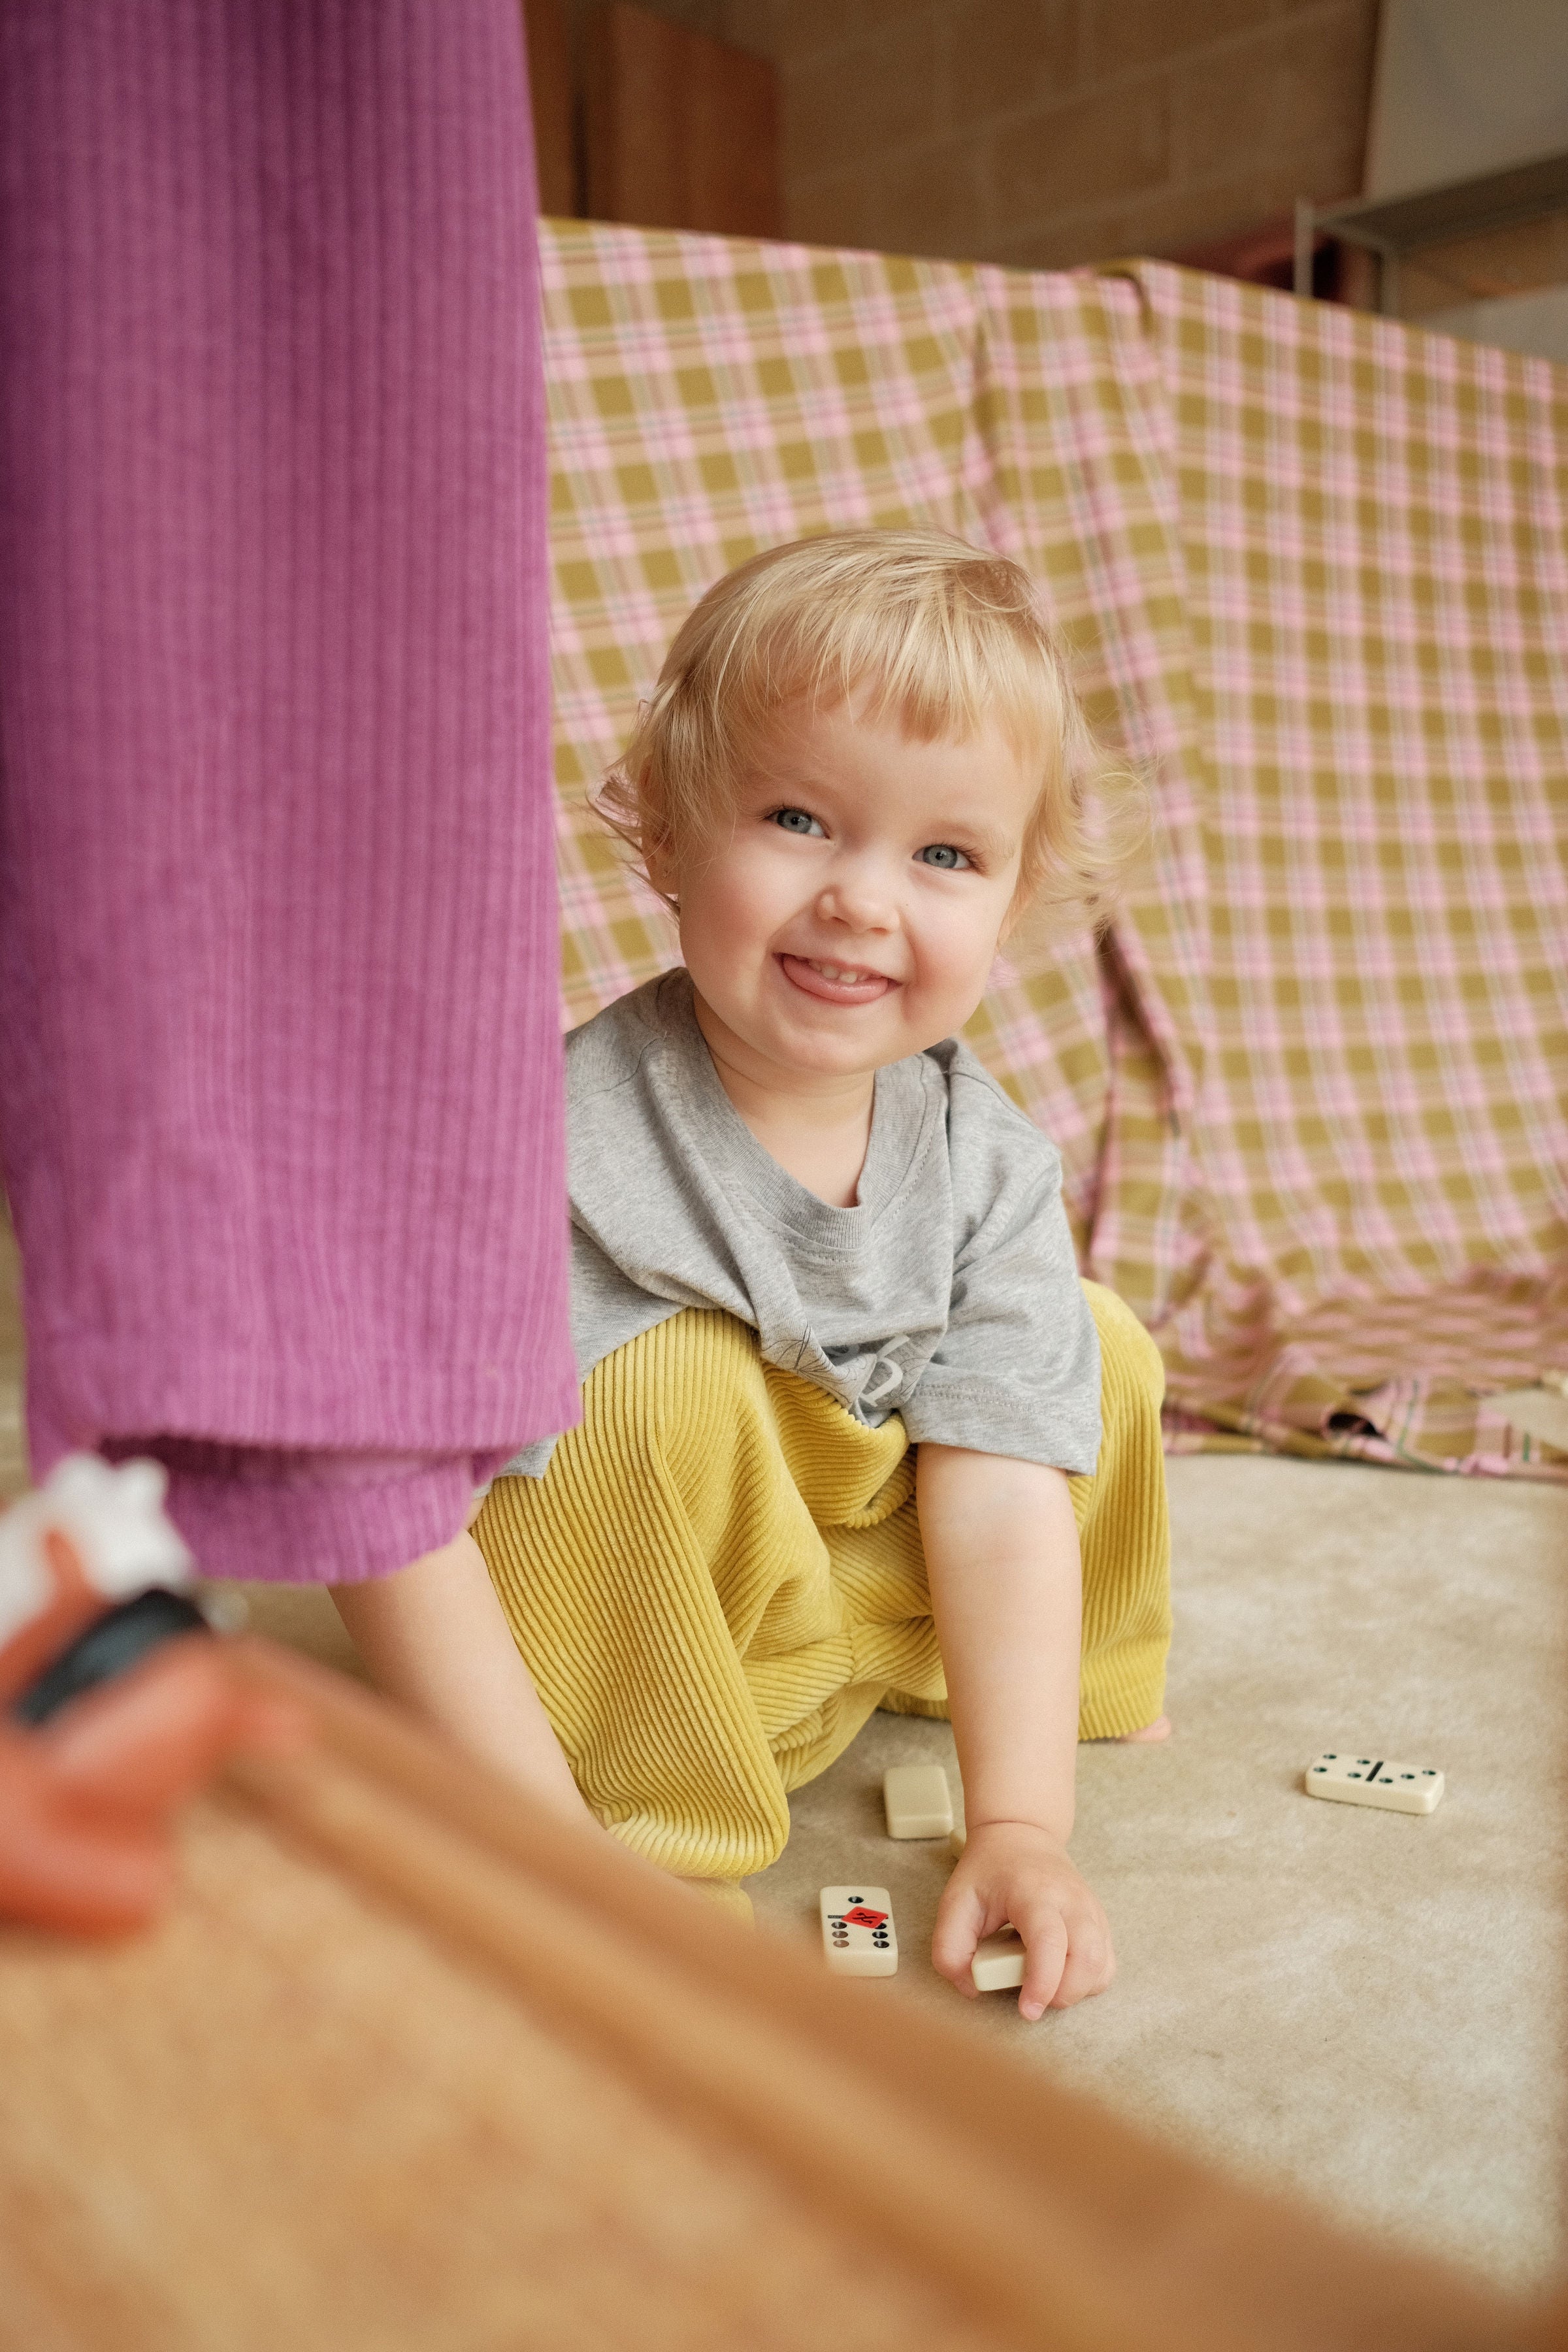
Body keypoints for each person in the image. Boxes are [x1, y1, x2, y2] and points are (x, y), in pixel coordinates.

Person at [334, 529, 1173, 2019]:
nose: (863, 898)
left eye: (945, 856)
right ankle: (630, 1822)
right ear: (664, 832)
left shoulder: (986, 1160)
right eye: (798, 817)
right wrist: (531, 1845)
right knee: (664, 1378)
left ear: (1015, 900)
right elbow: (379, 1510)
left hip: (827, 1595)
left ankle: (955, 1688)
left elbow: (992, 1482)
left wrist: (1021, 1823)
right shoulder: (549, 1149)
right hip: (645, 1638)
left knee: (1091, 1351)